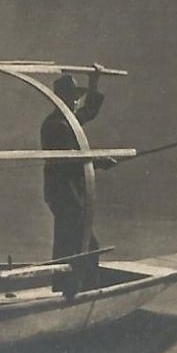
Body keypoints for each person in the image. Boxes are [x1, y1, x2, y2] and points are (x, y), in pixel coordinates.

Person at [41, 70, 108, 270]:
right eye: (73, 98)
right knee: (86, 244)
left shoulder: (68, 121)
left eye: (77, 99)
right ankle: (81, 289)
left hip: (68, 193)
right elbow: (70, 160)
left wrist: (94, 81)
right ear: (61, 100)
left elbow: (90, 111)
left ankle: (65, 285)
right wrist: (98, 161)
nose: (76, 103)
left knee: (67, 242)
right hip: (64, 193)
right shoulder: (56, 125)